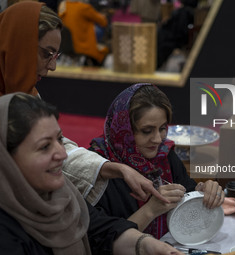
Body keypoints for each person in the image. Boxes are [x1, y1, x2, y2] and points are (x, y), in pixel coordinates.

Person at [0, 1, 167, 206]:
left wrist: (116, 168)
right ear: (19, 45)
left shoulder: (29, 95)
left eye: (56, 55)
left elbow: (59, 149)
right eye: (47, 54)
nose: (52, 66)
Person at [0, 92, 183, 255]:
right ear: (7, 158)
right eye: (45, 146)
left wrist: (146, 245)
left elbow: (102, 231)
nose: (63, 154)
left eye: (60, 140)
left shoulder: (63, 197)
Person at [84, 83, 225, 239]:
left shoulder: (163, 155)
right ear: (124, 130)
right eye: (147, 131)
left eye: (162, 128)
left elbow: (187, 191)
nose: (158, 139)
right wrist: (150, 210)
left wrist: (202, 192)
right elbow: (101, 242)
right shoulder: (97, 169)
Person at [58, 0, 109, 66]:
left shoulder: (63, 6)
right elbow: (103, 22)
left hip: (64, 46)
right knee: (104, 50)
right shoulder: (84, 8)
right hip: (81, 46)